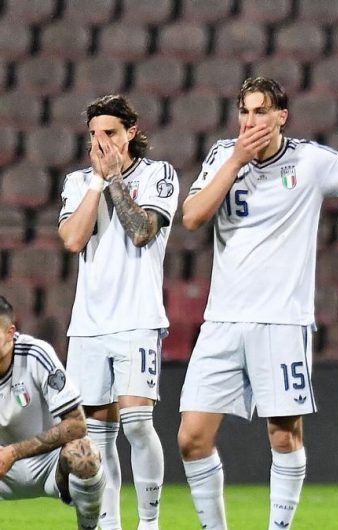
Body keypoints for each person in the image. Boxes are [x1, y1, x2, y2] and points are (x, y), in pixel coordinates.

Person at [176, 76, 338, 530]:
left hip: (281, 321)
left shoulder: (311, 161)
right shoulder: (223, 154)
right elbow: (192, 217)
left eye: (260, 111)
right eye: (244, 111)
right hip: (222, 321)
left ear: (281, 117)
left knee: (283, 435)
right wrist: (236, 160)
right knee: (191, 438)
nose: (250, 121)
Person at [59, 95, 179, 530]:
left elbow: (142, 231)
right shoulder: (77, 182)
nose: (100, 142)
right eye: (94, 134)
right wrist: (97, 182)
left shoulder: (158, 175)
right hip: (89, 326)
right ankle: (110, 525)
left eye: (109, 133)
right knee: (96, 435)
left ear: (131, 132)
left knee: (137, 424)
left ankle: (149, 523)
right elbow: (73, 240)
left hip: (138, 320)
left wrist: (113, 179)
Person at [0, 295, 105, 529]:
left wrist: (13, 452)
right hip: (3, 469)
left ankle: (88, 527)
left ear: (9, 333)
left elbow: (77, 425)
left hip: (47, 463)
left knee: (85, 455)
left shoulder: (35, 355)